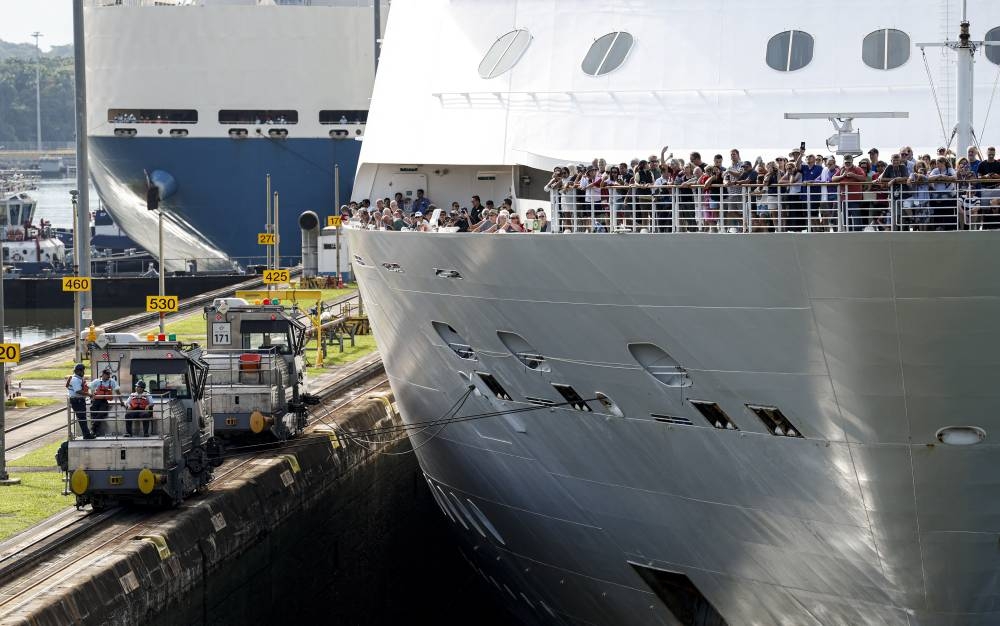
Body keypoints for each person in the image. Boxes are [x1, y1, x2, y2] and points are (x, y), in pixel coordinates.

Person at [90, 368, 122, 437]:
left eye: (109, 374)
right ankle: (95, 431)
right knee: (94, 414)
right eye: (106, 374)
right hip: (96, 401)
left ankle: (93, 429)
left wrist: (121, 401)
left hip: (104, 401)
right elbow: (90, 387)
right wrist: (91, 396)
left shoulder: (112, 382)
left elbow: (118, 391)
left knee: (102, 413)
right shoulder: (97, 381)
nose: (108, 376)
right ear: (103, 375)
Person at [66, 363, 93, 439]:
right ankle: (87, 435)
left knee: (83, 418)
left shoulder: (78, 378)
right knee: (82, 418)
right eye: (82, 371)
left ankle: (87, 434)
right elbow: (78, 391)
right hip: (77, 401)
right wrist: (89, 394)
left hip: (79, 400)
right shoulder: (75, 380)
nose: (83, 372)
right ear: (78, 371)